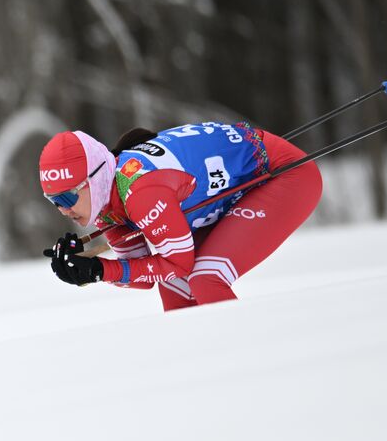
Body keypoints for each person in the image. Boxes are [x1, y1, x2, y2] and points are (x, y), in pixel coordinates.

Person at [36, 121, 322, 310]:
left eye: (67, 196)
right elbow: (144, 273)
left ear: (94, 179)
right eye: (54, 201)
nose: (63, 208)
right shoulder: (106, 202)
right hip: (233, 187)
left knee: (204, 278)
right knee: (174, 288)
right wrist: (88, 271)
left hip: (284, 176)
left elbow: (178, 264)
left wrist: (102, 269)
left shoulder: (140, 191)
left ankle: (248, 366)